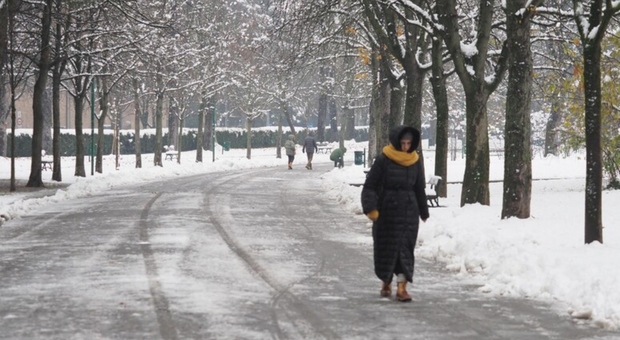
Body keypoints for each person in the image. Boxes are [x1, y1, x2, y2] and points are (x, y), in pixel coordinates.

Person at [361, 125, 429, 302]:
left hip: (409, 211)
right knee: (386, 248)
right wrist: (371, 208)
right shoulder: (384, 159)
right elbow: (370, 186)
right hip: (387, 211)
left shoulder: (415, 160)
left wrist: (423, 210)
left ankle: (402, 287)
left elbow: (419, 187)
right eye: (403, 143)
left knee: (405, 248)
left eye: (409, 143)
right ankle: (386, 280)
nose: (406, 147)